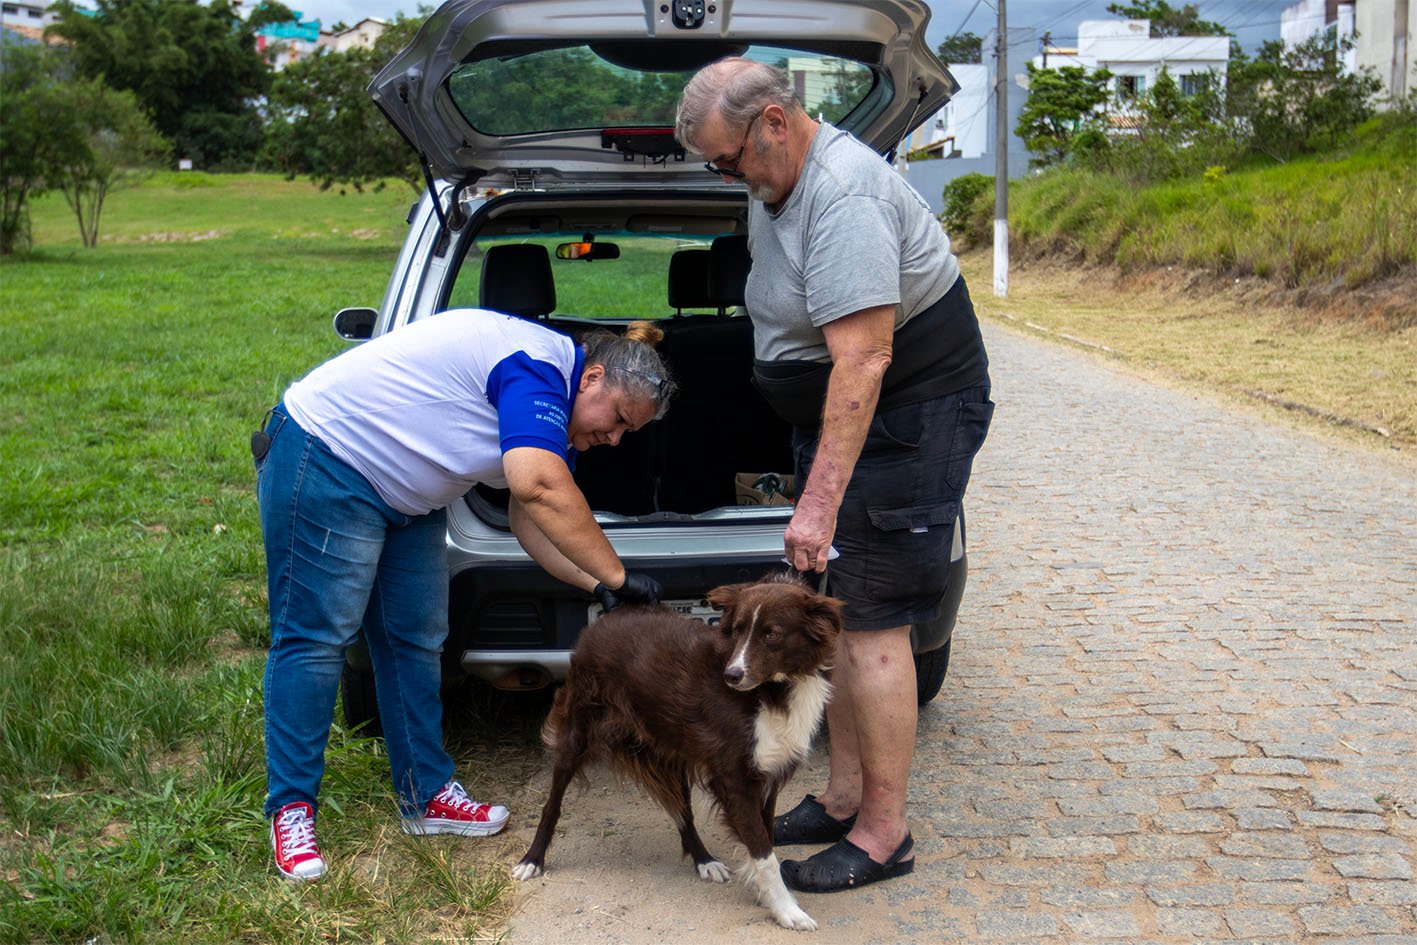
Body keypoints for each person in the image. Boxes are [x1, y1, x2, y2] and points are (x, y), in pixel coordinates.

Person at [675, 59, 993, 893]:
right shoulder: (773, 175)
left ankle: (885, 833)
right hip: (851, 418)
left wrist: (814, 507)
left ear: (775, 122)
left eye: (729, 159)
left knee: (877, 623)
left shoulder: (844, 194)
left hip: (905, 416)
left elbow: (863, 355)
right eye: (714, 164)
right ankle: (844, 793)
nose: (728, 176)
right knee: (840, 622)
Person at [252, 308, 673, 882]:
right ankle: (291, 811)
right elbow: (540, 487)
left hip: (408, 496)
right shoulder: (536, 370)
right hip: (329, 459)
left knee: (415, 640)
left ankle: (425, 796)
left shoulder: (552, 418)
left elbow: (529, 521)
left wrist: (597, 585)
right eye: (619, 419)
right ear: (594, 377)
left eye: (628, 432)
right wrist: (621, 577)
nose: (614, 438)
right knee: (316, 639)